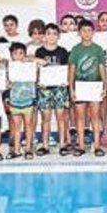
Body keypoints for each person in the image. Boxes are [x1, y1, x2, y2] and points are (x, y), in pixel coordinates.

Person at [68, 19, 107, 156]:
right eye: (83, 31)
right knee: (80, 117)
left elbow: (102, 68)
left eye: (89, 30)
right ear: (79, 33)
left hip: (95, 86)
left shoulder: (98, 49)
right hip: (80, 86)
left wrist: (105, 86)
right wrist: (71, 88)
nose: (86, 33)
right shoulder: (75, 49)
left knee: (95, 116)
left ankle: (97, 145)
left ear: (93, 32)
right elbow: (72, 70)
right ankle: (81, 145)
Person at [34, 24, 70, 155]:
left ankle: (62, 145)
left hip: (59, 88)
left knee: (61, 117)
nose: (51, 36)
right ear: (44, 36)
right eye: (48, 33)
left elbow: (67, 69)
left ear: (58, 36)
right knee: (46, 118)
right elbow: (37, 70)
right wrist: (39, 82)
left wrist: (66, 81)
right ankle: (45, 145)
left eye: (54, 33)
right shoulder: (39, 52)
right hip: (45, 89)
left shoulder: (63, 51)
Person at [7, 42, 38, 159]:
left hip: (28, 100)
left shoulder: (30, 65)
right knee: (16, 126)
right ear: (11, 55)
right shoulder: (9, 67)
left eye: (21, 53)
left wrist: (30, 59)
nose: (19, 56)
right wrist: (7, 84)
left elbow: (44, 63)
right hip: (15, 100)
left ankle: (28, 149)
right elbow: (4, 82)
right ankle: (16, 150)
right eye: (15, 53)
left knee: (28, 125)